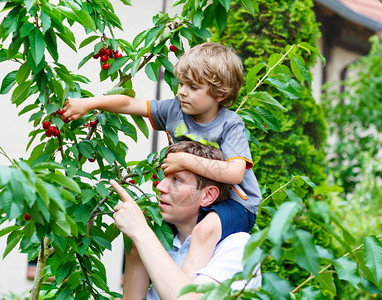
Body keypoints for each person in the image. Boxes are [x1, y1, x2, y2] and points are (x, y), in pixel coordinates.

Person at [63, 42, 261, 278]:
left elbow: (235, 173)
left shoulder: (230, 125)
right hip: (193, 200)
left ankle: (184, 290)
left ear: (220, 93)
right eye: (181, 83)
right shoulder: (176, 110)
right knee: (143, 238)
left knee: (204, 231)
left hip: (236, 204)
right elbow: (130, 104)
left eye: (193, 87)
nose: (182, 92)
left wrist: (184, 161)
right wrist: (90, 103)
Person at [111, 141, 261, 299]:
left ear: (208, 195)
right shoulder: (163, 244)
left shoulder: (239, 247)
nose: (160, 186)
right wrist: (135, 245)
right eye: (164, 177)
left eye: (177, 179)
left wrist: (140, 231)